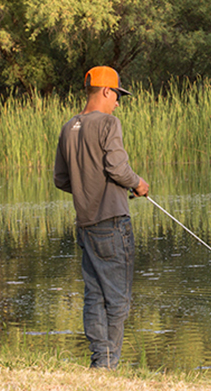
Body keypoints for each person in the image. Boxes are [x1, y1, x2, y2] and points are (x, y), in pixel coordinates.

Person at [53, 66, 150, 369]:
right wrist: (138, 184)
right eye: (117, 95)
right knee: (118, 298)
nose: (118, 103)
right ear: (106, 91)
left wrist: (87, 189)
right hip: (112, 222)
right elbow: (118, 168)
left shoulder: (69, 127)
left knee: (95, 294)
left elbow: (61, 179)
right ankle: (109, 365)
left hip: (86, 225)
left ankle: (100, 362)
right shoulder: (109, 123)